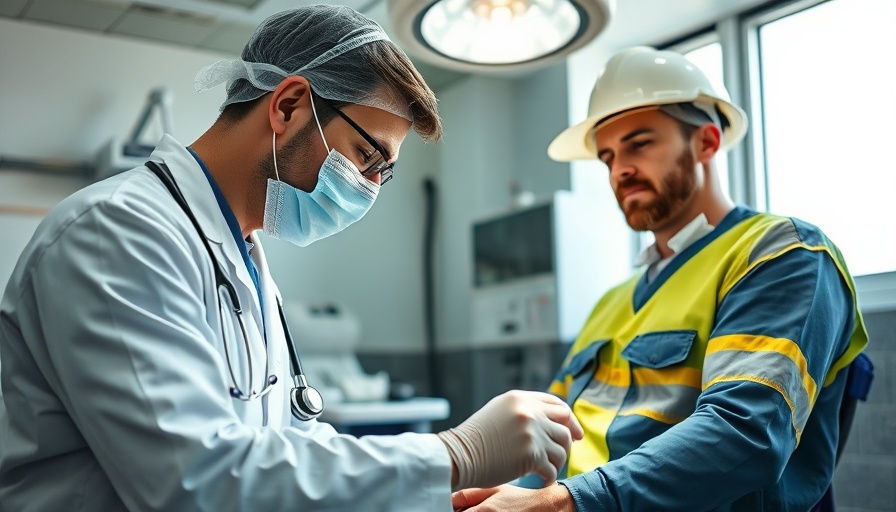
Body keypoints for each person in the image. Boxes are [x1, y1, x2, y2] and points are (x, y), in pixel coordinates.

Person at [0, 6, 584, 511]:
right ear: (289, 106)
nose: (370, 189)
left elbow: (283, 446)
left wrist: (421, 491)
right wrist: (453, 454)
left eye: (385, 174)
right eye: (366, 156)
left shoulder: (246, 263)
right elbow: (194, 484)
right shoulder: (117, 233)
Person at [451, 46, 869, 512]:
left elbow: (746, 432)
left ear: (707, 143)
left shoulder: (783, 252)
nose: (618, 169)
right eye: (607, 156)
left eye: (640, 143)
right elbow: (544, 438)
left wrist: (565, 503)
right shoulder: (612, 301)